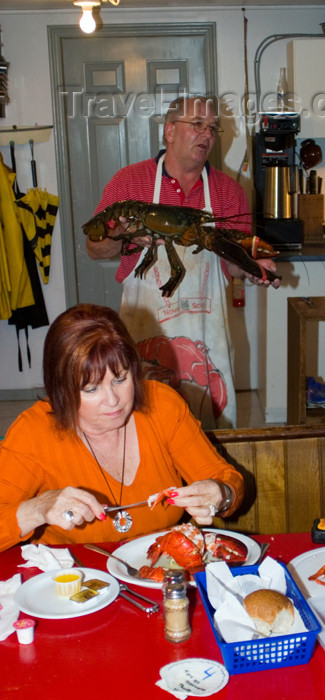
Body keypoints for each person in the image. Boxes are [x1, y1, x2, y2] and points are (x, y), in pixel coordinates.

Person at [86, 94, 279, 430]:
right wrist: (124, 237)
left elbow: (233, 267)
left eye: (214, 128)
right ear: (170, 132)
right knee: (144, 428)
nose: (207, 135)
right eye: (198, 125)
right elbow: (93, 247)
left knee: (209, 431)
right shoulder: (129, 182)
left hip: (208, 337)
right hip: (145, 331)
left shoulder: (228, 192)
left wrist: (253, 268)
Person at [0, 304, 244, 552]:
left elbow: (226, 480)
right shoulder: (33, 432)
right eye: (91, 389)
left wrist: (221, 494)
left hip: (159, 568)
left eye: (120, 379)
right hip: (69, 578)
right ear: (60, 390)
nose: (113, 400)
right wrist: (37, 509)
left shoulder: (163, 406)